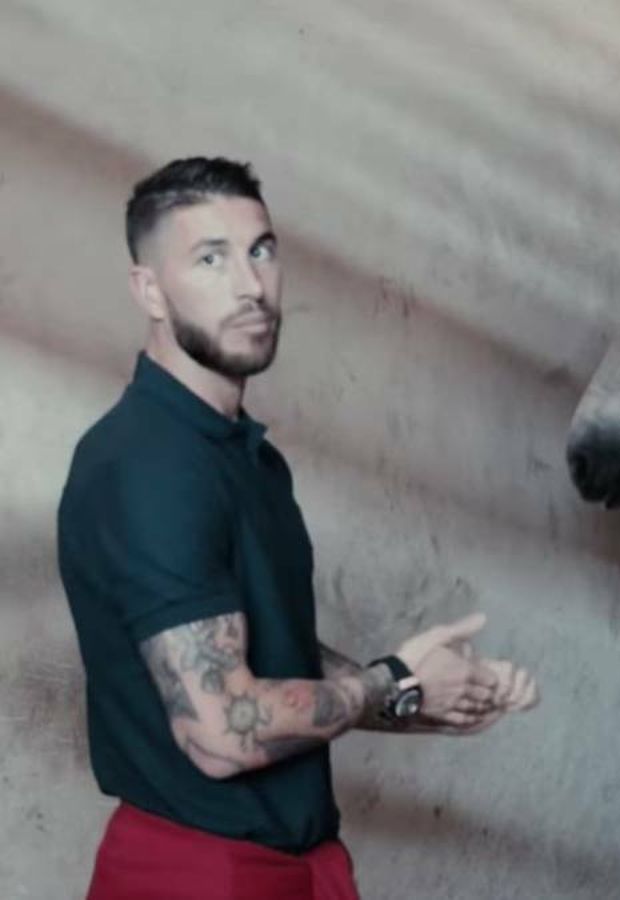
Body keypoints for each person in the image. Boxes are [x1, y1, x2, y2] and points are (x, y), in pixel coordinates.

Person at [56, 157, 539, 900]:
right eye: (210, 258)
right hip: (196, 875)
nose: (251, 285)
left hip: (295, 865)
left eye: (262, 250)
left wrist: (427, 698)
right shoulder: (149, 463)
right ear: (148, 289)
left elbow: (259, 644)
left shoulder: (245, 457)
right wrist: (395, 681)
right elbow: (220, 731)